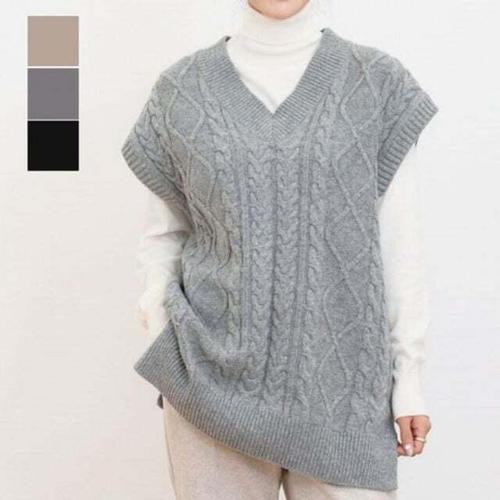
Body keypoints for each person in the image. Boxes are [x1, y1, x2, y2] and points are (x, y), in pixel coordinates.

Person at [121, 0, 438, 498]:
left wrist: (409, 380)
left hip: (343, 395)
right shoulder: (181, 90)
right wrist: (165, 338)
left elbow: (398, 243)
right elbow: (165, 236)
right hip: (207, 388)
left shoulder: (376, 83)